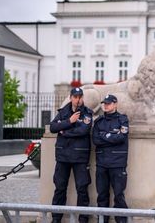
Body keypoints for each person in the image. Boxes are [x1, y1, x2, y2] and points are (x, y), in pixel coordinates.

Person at [50, 87, 93, 223]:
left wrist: (65, 131)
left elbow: (83, 131)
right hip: (63, 156)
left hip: (80, 157)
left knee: (82, 188)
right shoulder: (63, 112)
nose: (78, 99)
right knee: (60, 188)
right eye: (75, 96)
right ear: (71, 97)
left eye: (80, 96)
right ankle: (56, 219)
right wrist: (69, 122)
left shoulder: (87, 113)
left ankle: (83, 219)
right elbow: (52, 128)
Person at [92, 94, 129, 223]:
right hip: (102, 164)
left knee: (119, 196)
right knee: (102, 196)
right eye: (104, 103)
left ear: (115, 104)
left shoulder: (122, 120)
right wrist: (111, 136)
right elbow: (95, 140)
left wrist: (105, 136)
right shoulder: (99, 121)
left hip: (118, 164)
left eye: (108, 103)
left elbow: (121, 137)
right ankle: (102, 221)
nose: (106, 106)